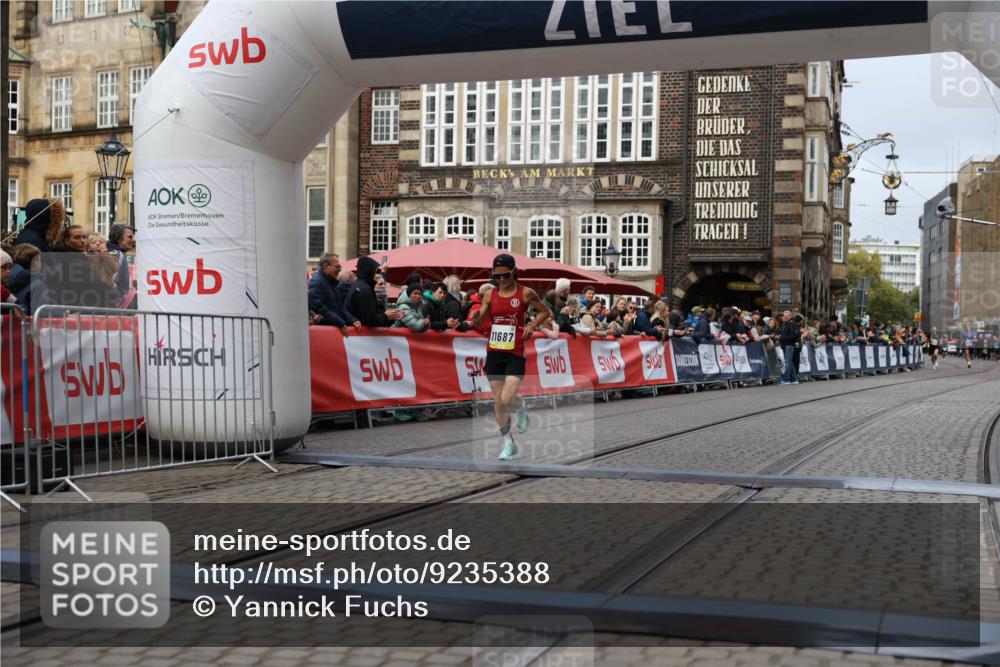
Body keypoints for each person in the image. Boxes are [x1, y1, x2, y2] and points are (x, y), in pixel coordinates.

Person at [473, 253, 552, 461]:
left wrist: (531, 325)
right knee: (498, 401)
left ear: (514, 273)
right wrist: (475, 317)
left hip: (515, 352)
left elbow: (545, 312)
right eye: (497, 277)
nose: (501, 280)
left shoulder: (526, 293)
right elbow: (479, 320)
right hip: (494, 351)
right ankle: (509, 443)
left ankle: (520, 405)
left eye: (505, 276)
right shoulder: (490, 295)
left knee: (507, 398)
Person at [309, 252, 359, 331]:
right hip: (324, 333)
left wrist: (352, 320)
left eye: (340, 266)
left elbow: (339, 307)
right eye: (337, 266)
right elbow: (320, 309)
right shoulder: (317, 282)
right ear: (326, 266)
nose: (340, 269)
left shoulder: (332, 282)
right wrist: (341, 323)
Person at [349, 256, 403, 327]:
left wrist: (391, 315)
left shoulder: (360, 285)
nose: (383, 286)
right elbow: (370, 319)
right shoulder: (364, 289)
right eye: (374, 270)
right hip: (364, 335)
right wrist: (386, 316)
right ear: (369, 270)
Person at [106, 224, 135, 296]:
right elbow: (109, 282)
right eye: (130, 237)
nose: (133, 240)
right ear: (118, 238)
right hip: (113, 303)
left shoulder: (115, 252)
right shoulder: (117, 254)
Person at [778, 310, 801, 385]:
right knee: (790, 362)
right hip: (786, 345)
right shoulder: (786, 324)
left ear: (791, 317)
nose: (785, 317)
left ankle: (786, 379)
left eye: (787, 316)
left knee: (788, 362)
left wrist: (783, 338)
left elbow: (795, 335)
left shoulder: (792, 324)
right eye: (784, 316)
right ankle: (794, 379)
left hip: (789, 345)